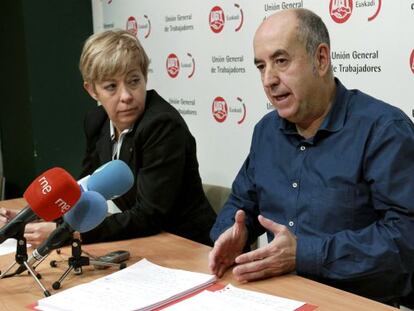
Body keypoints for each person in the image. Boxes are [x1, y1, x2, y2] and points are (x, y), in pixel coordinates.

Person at [209, 8, 414, 305]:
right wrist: (233, 233)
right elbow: (242, 203)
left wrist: (303, 254)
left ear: (321, 59)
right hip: (273, 298)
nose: (269, 79)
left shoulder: (383, 131)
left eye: (281, 61)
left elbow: (405, 241)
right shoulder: (266, 132)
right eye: (261, 66)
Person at [0, 29, 216, 247]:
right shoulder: (97, 122)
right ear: (92, 90)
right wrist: (30, 219)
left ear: (145, 77)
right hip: (142, 242)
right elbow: (83, 192)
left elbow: (149, 215)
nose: (126, 96)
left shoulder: (162, 125)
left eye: (134, 81)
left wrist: (66, 233)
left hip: (186, 245)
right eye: (111, 87)